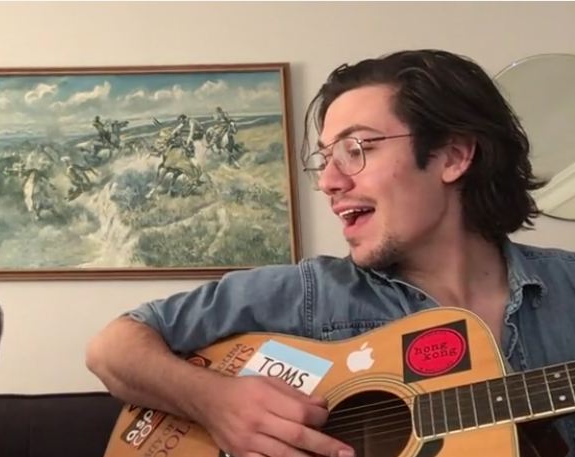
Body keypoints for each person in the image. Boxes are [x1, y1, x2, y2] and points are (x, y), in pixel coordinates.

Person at [86, 49, 575, 457]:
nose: (328, 182)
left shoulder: (568, 289)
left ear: (453, 156)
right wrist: (215, 401)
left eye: (357, 148)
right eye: (325, 158)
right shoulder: (311, 294)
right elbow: (113, 348)